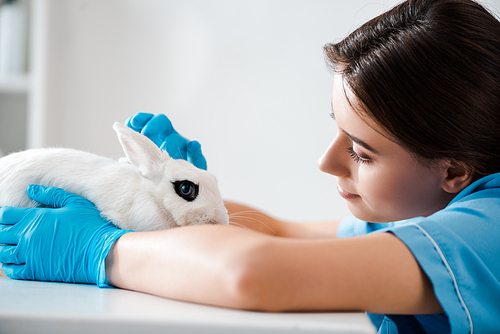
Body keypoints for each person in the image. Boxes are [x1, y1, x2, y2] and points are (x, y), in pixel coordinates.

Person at [1, 0, 500, 332]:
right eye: (338, 132)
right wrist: (161, 196)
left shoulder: (488, 231)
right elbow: (276, 232)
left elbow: (257, 272)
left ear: (454, 171)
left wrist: (103, 250)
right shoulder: (431, 214)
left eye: (361, 152)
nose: (326, 162)